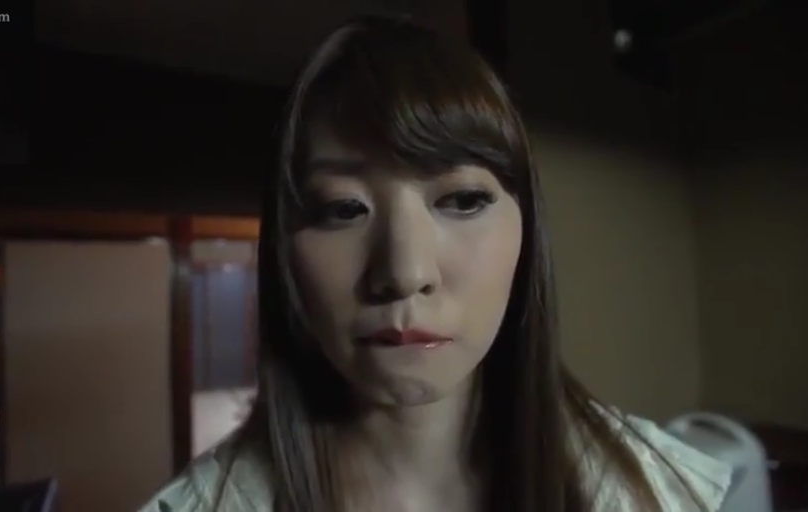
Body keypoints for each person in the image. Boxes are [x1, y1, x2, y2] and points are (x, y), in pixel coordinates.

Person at [141, 15, 731, 512]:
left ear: (527, 230)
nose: (405, 273)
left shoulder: (662, 492)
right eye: (343, 209)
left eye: (463, 200)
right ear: (284, 254)